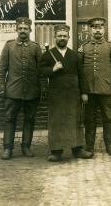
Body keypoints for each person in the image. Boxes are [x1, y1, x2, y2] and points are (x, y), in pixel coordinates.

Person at [39, 24, 93, 161]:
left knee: (75, 120)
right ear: (55, 37)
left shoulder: (74, 55)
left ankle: (77, 149)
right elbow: (40, 72)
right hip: (56, 93)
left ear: (68, 37)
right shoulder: (47, 54)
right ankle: (56, 151)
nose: (62, 38)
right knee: (57, 121)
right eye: (59, 36)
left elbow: (82, 75)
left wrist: (84, 92)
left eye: (64, 36)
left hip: (73, 93)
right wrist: (53, 69)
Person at [0, 17, 42, 160]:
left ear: (30, 30)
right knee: (10, 118)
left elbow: (41, 70)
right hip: (12, 90)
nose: (23, 31)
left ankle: (26, 146)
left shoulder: (35, 47)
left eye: (25, 28)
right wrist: (1, 87)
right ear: (17, 29)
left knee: (29, 119)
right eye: (20, 28)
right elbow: (2, 69)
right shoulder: (9, 46)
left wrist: (42, 88)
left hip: (31, 90)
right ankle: (7, 148)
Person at [78, 17, 111, 156]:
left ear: (104, 29)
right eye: (94, 27)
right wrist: (82, 89)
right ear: (90, 29)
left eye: (100, 27)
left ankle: (109, 145)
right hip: (89, 90)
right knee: (89, 118)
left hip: (107, 89)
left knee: (109, 117)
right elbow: (79, 70)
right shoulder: (83, 47)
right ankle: (89, 146)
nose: (97, 29)